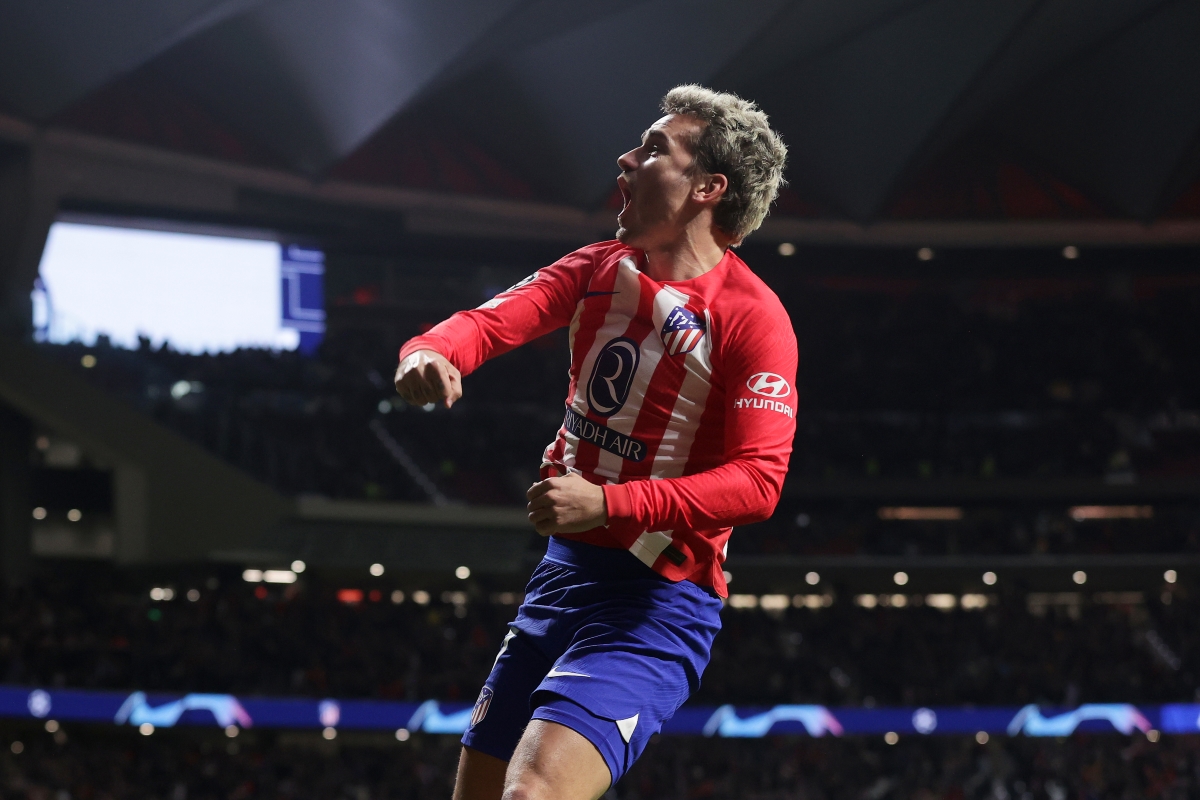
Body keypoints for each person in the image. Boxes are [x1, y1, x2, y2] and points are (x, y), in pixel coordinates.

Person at [394, 85, 796, 800]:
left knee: (532, 794)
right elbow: (483, 324)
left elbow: (758, 484)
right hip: (561, 577)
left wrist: (610, 504)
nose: (627, 158)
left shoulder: (753, 318)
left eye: (653, 149)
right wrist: (430, 354)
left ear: (708, 187)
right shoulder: (597, 269)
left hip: (657, 601)